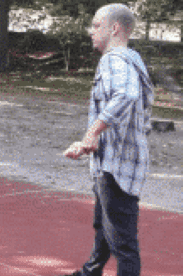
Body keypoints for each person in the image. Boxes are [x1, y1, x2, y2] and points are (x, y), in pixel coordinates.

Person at [61, 3, 154, 276]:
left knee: (123, 243)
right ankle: (90, 272)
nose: (92, 32)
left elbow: (126, 95)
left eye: (97, 25)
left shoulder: (114, 59)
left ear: (114, 29)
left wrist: (92, 132)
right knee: (104, 225)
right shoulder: (132, 59)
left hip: (117, 165)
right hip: (115, 161)